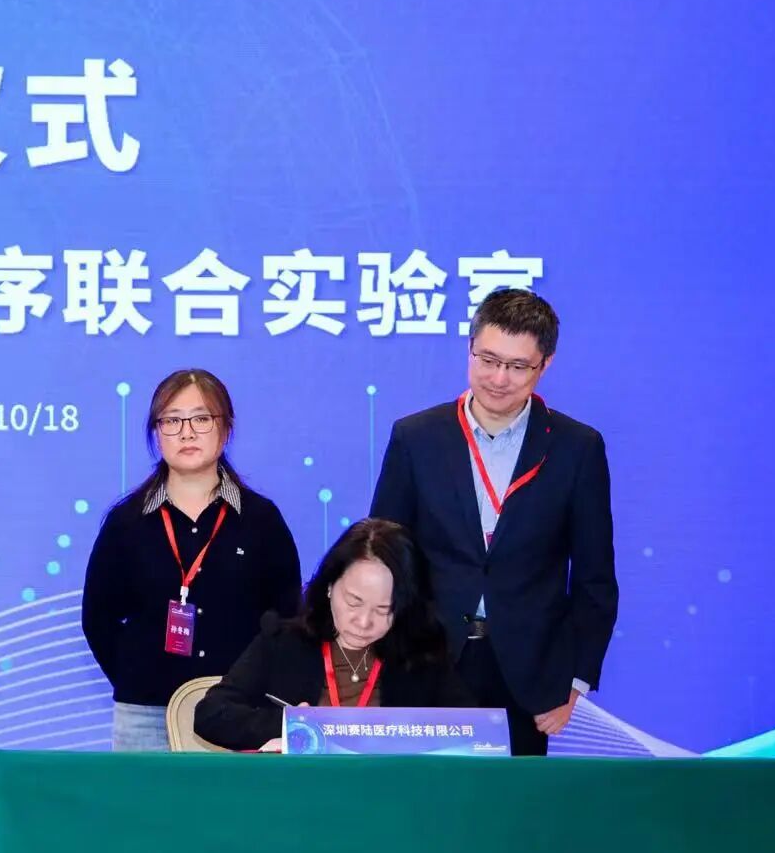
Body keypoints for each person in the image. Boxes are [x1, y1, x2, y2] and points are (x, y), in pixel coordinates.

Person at [370, 287, 618, 756]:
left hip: (527, 675)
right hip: (426, 660)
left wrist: (575, 681)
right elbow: (381, 555)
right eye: (488, 359)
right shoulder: (416, 437)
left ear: (545, 365)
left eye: (518, 366)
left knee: (513, 802)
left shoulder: (577, 448)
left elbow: (595, 578)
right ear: (470, 349)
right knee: (424, 797)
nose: (499, 379)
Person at [81, 369, 303, 751]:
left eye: (201, 419)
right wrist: (135, 675)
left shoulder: (261, 520)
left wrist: (250, 687)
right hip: (145, 714)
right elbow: (97, 618)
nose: (186, 433)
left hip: (236, 713)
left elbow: (285, 619)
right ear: (156, 434)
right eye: (171, 421)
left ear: (226, 429)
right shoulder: (127, 522)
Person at [195, 519, 468, 750]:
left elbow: (471, 730)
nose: (364, 622)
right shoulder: (283, 642)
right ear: (329, 587)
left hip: (388, 793)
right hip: (302, 791)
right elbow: (211, 713)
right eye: (353, 602)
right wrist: (292, 725)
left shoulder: (421, 655)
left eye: (383, 609)